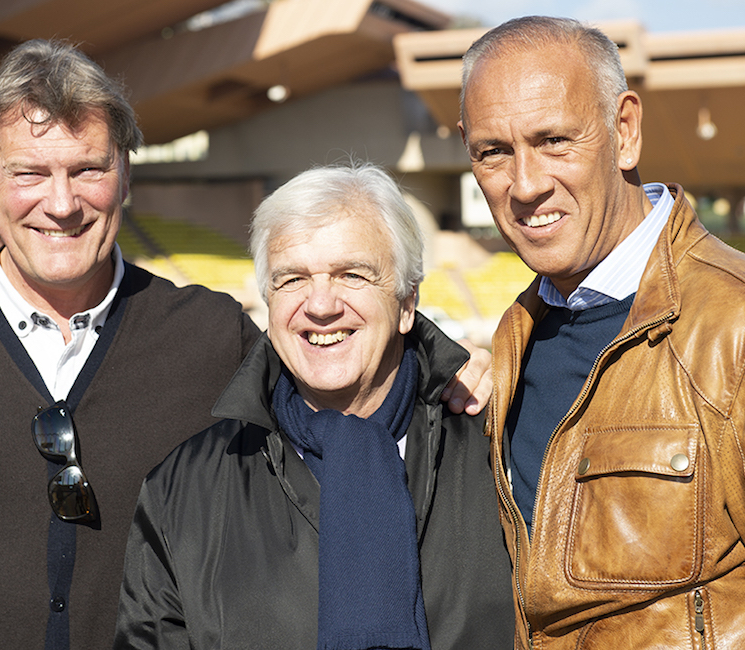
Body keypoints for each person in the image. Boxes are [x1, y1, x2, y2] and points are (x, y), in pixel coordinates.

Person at [0, 41, 490, 650]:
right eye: (30, 173)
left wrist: (459, 367)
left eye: (88, 170)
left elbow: (337, 346)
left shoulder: (209, 331)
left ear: (125, 176)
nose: (62, 203)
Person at [458, 16, 745, 649]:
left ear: (624, 131)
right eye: (494, 152)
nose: (525, 184)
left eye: (554, 140)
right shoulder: (513, 340)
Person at [115, 163, 514, 649]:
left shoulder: (502, 446)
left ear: (407, 303)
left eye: (352, 274)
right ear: (268, 300)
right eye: (292, 279)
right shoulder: (182, 489)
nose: (321, 305)